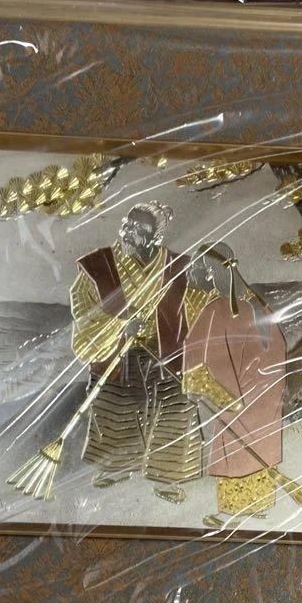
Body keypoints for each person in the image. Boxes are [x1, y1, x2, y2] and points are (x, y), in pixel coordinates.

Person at [68, 202, 203, 486]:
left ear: (156, 236)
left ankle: (169, 477)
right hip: (117, 351)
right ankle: (116, 468)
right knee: (116, 407)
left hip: (164, 350)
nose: (128, 232)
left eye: (139, 228)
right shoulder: (99, 266)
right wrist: (117, 326)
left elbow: (194, 308)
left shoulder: (177, 267)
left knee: (175, 406)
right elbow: (83, 308)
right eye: (126, 225)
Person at [181, 243, 287, 523]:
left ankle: (232, 513)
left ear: (217, 271)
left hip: (238, 391)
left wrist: (199, 381)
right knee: (258, 442)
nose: (205, 278)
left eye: (206, 271)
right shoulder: (257, 302)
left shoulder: (219, 309)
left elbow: (199, 350)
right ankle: (258, 505)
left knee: (235, 446)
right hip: (262, 390)